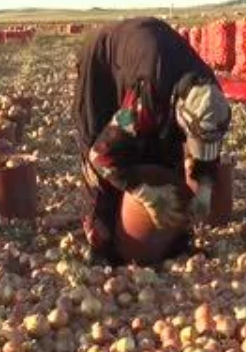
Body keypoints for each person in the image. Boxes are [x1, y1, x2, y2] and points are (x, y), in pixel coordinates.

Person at [74, 17, 232, 265]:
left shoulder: (211, 96)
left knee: (165, 149)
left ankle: (174, 241)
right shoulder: (146, 99)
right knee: (103, 144)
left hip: (154, 64)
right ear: (180, 112)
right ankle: (102, 243)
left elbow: (207, 139)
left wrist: (204, 188)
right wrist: (145, 193)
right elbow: (100, 156)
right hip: (105, 62)